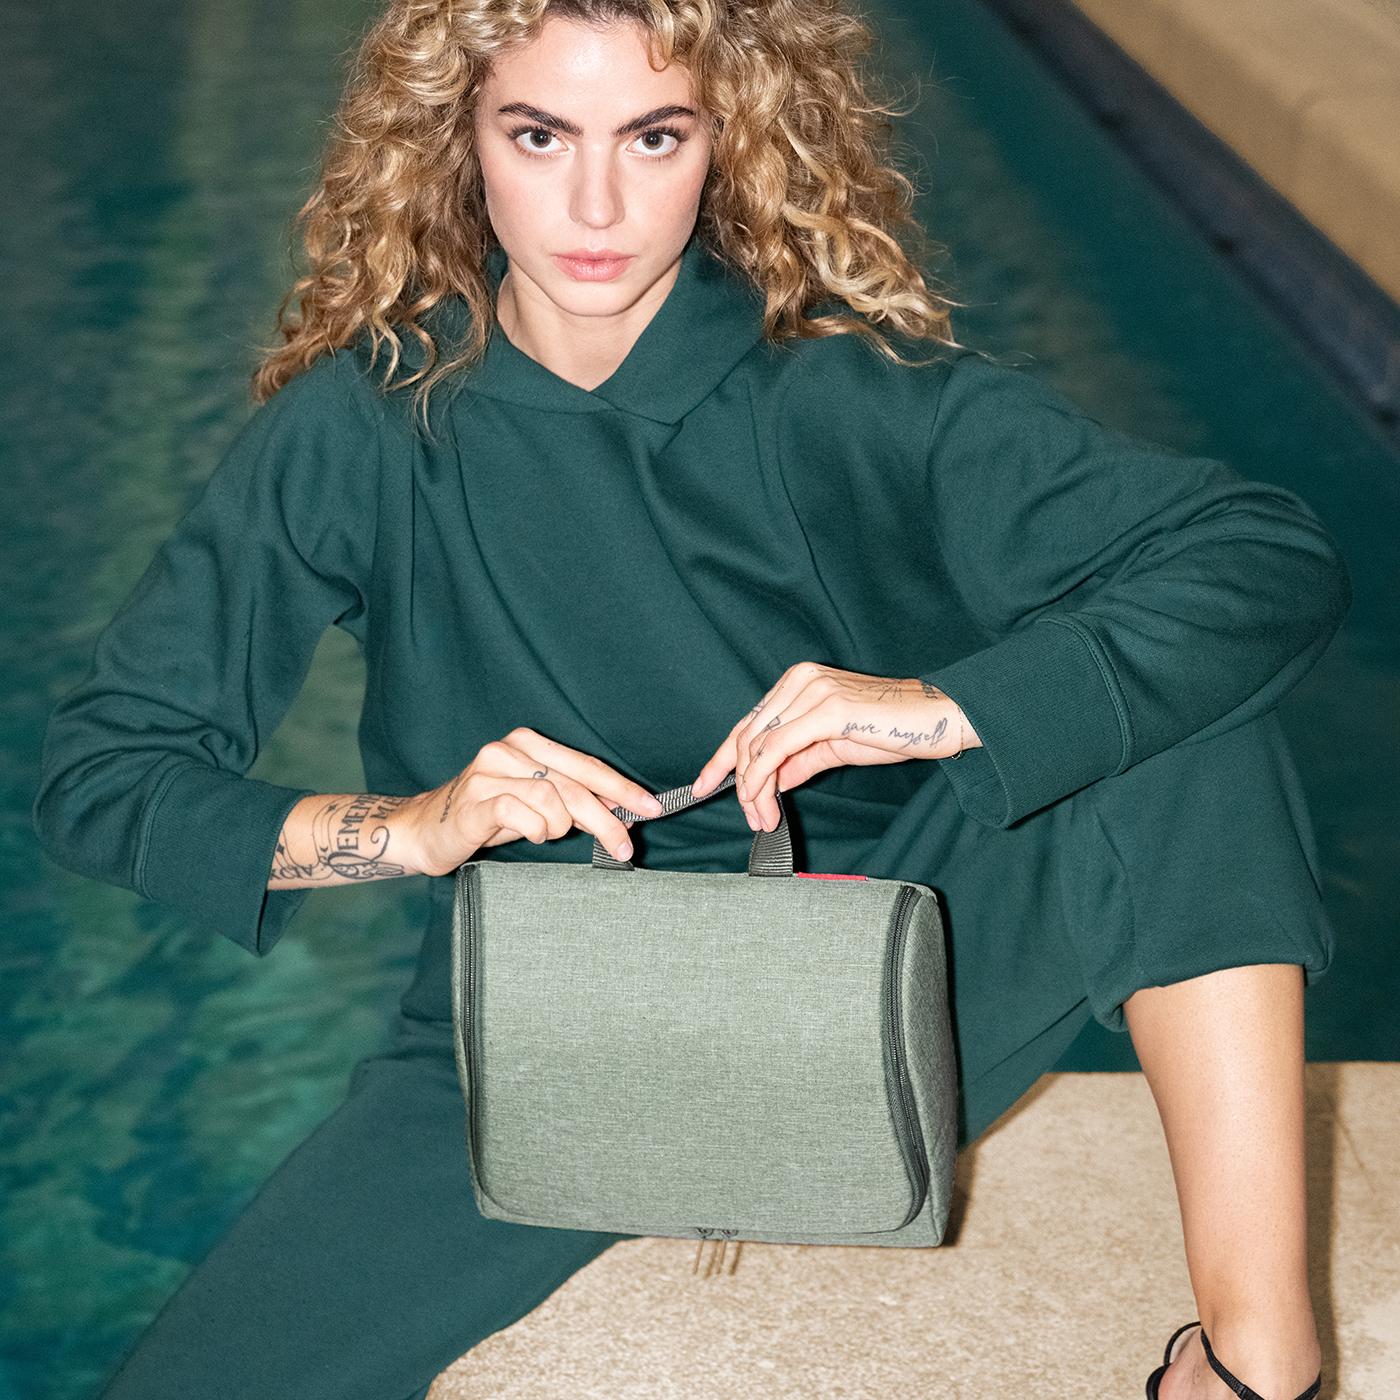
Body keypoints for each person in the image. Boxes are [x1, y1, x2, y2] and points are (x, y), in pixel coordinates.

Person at [30, 2, 1347, 1397]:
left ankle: (1257, 1361)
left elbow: (1260, 556)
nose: (596, 205)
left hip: (888, 991)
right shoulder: (367, 424)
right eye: (540, 137)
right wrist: (411, 826)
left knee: (1175, 702)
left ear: (728, 143)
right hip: (538, 1041)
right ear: (457, 141)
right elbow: (103, 779)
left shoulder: (837, 389)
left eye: (654, 138)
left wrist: (947, 705)